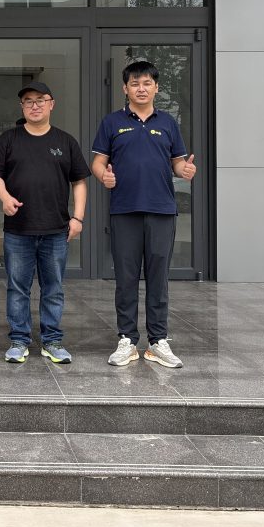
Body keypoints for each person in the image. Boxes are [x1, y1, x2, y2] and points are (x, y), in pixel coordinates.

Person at [90, 60, 197, 369]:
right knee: (125, 277)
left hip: (162, 209)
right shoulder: (112, 122)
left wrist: (185, 170)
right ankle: (126, 339)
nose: (141, 88)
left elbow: (178, 162)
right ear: (125, 88)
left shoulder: (168, 123)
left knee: (158, 278)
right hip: (124, 209)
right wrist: (103, 176)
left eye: (147, 83)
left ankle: (157, 341)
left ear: (156, 87)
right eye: (135, 83)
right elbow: (97, 162)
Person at [0, 82, 89, 365]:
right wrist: (5, 197)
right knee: (17, 288)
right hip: (18, 230)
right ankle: (19, 341)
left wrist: (78, 217)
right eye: (28, 101)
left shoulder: (66, 141)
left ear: (51, 104)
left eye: (40, 100)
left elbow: (79, 181)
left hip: (56, 230)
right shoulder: (9, 139)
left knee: (53, 288)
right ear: (22, 107)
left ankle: (52, 341)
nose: (35, 105)